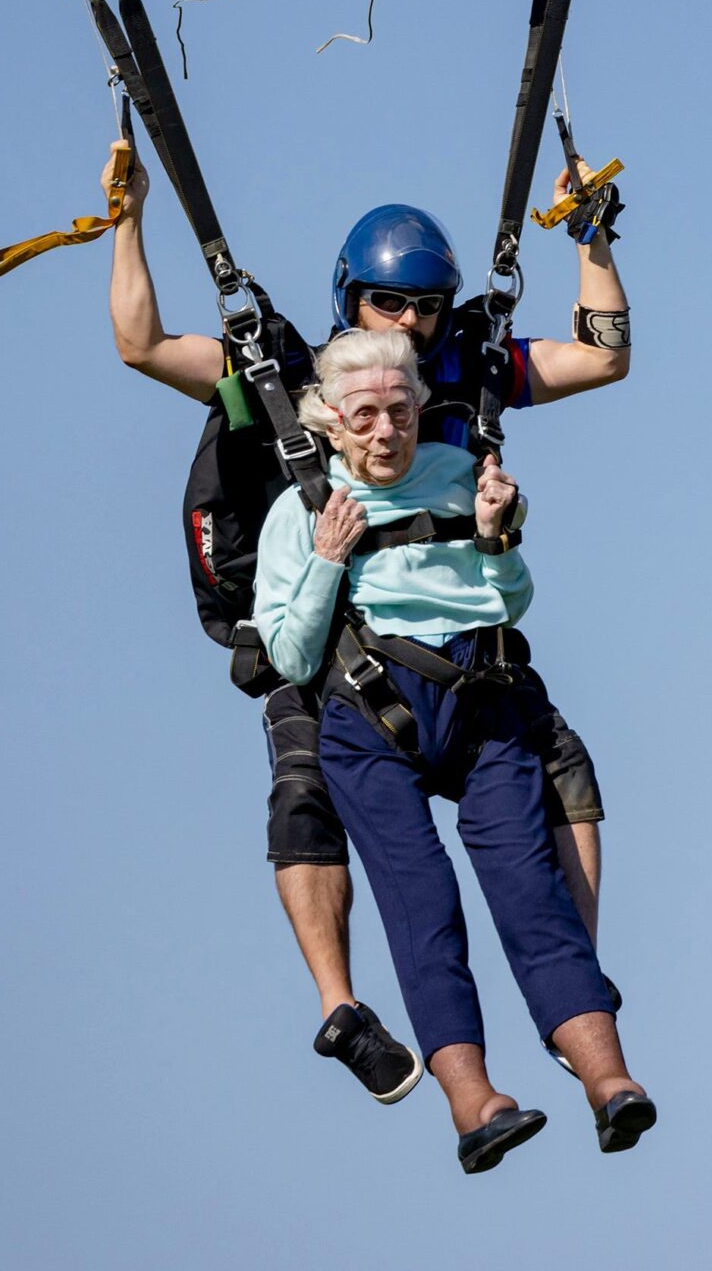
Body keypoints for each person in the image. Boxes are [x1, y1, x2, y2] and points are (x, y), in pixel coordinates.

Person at [108, 152, 635, 1098]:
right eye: (391, 304)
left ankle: (570, 984)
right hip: (325, 635)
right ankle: (341, 1009)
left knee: (563, 765)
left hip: (452, 639)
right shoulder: (296, 376)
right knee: (304, 792)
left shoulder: (461, 372)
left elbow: (600, 355)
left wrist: (594, 242)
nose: (411, 324)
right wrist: (128, 222)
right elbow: (144, 344)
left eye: (428, 306)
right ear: (354, 299)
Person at [249, 329, 655, 1172]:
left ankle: (609, 1081)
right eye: (365, 416)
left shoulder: (462, 476)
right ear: (330, 421)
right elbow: (289, 659)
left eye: (400, 412)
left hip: (480, 705)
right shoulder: (297, 511)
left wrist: (497, 537)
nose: (386, 432)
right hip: (371, 720)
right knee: (422, 903)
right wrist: (327, 560)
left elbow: (510, 599)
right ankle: (475, 1106)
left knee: (529, 888)